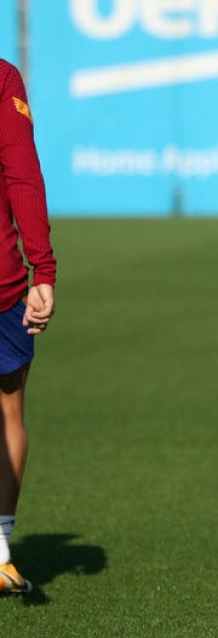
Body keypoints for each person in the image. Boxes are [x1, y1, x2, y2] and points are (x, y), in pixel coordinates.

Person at [0, 59, 57, 594]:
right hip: (3, 284)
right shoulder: (2, 77)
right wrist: (44, 268)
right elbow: (22, 173)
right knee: (8, 413)